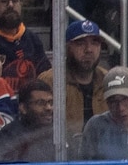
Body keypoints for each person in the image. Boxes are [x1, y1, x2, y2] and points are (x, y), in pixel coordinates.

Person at [38, 19, 109, 149]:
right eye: (81, 43)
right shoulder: (50, 81)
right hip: (60, 156)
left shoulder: (108, 80)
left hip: (103, 157)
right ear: (67, 47)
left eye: (95, 42)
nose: (89, 49)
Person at [0, 79, 57, 162]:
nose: (48, 108)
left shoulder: (59, 132)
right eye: (40, 103)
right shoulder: (9, 136)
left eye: (51, 102)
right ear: (23, 108)